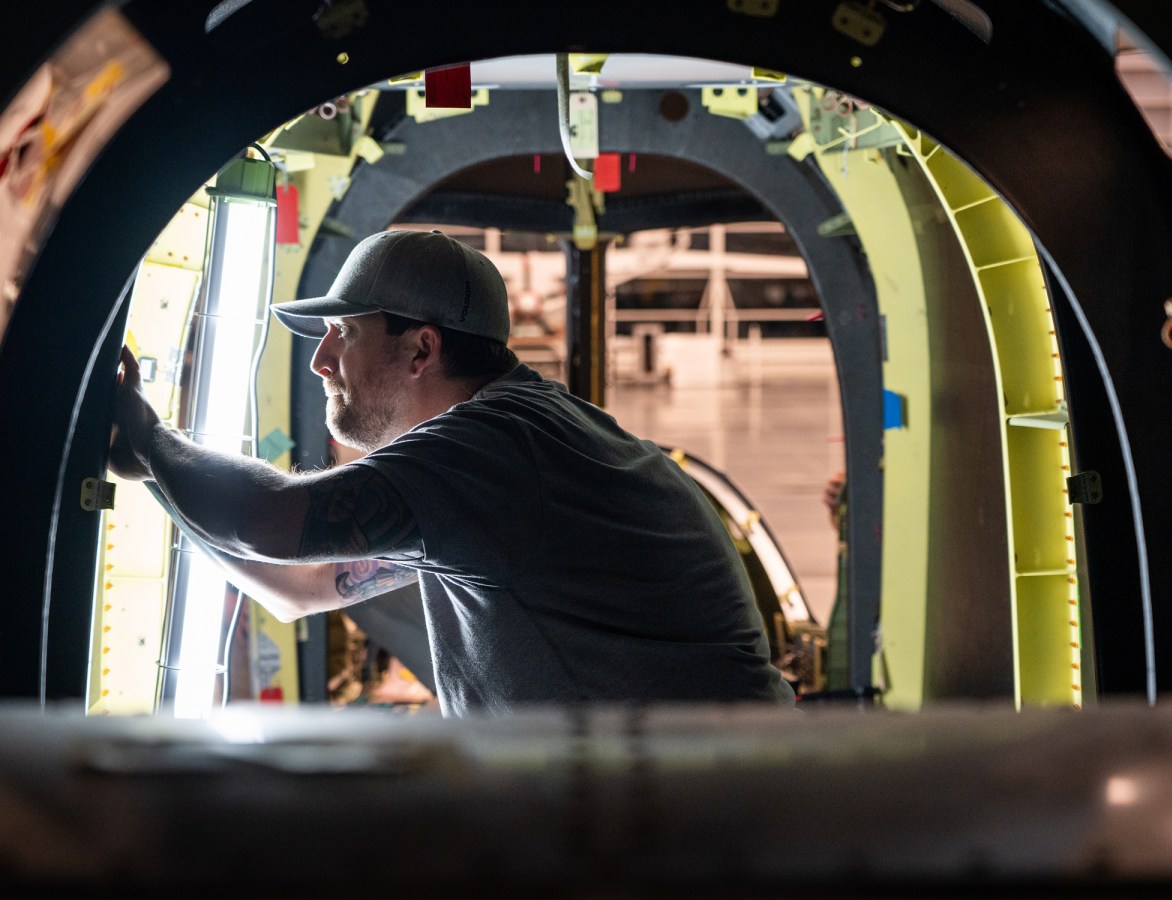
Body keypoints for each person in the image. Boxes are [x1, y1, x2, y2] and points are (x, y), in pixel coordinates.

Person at [109, 229, 795, 715]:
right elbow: (300, 585)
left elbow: (268, 522)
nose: (321, 363)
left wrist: (147, 431)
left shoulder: (496, 451)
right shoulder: (512, 447)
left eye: (343, 334)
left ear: (420, 349)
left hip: (694, 838)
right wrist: (153, 467)